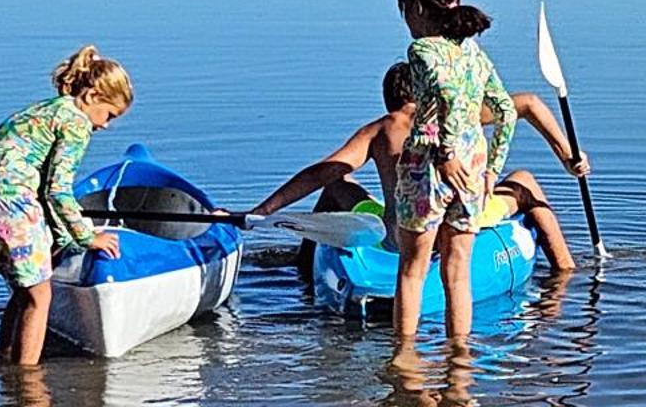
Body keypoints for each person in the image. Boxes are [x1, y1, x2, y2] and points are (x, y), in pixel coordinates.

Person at [247, 62, 589, 273]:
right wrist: (568, 155)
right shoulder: (455, 112)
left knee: (336, 186)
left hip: (398, 238)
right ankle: (565, 269)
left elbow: (322, 171)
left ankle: (304, 264)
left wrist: (263, 210)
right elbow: (528, 103)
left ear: (388, 101)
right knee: (524, 180)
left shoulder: (380, 129)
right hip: (453, 232)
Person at [0, 46, 129, 366]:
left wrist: (59, 236)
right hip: (12, 204)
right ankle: (26, 383)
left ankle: (6, 357)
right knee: (40, 298)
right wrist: (87, 237)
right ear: (92, 96)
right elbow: (58, 191)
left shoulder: (45, 110)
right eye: (109, 115)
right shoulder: (77, 122)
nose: (105, 125)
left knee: (24, 292)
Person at [391, 0, 518, 348]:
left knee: (412, 271)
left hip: (429, 170)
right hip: (474, 171)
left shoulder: (422, 50)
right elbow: (506, 111)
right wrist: (493, 170)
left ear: (415, 8)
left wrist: (444, 153)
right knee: (458, 273)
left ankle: (405, 360)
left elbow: (441, 97)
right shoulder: (473, 53)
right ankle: (459, 360)